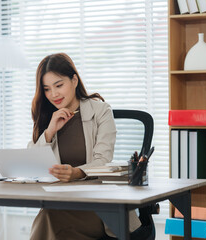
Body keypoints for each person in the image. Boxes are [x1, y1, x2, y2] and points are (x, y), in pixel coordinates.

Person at [28, 53, 141, 240]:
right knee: (50, 216)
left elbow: (103, 161)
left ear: (74, 80)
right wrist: (49, 132)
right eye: (47, 89)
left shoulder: (101, 111)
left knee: (49, 219)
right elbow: (34, 166)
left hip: (99, 208)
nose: (53, 94)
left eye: (59, 85)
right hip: (61, 204)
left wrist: (77, 172)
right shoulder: (48, 117)